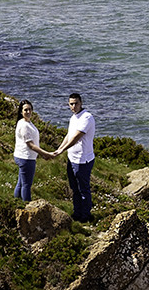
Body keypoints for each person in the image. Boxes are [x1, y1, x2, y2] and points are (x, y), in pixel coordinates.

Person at [53, 92, 96, 222]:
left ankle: (86, 216)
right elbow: (69, 135)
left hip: (83, 160)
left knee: (83, 189)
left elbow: (76, 137)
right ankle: (77, 213)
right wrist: (59, 149)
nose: (73, 106)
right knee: (74, 188)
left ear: (81, 103)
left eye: (76, 103)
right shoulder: (73, 117)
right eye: (71, 104)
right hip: (72, 159)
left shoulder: (86, 118)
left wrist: (61, 151)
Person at [12, 100, 55, 202]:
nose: (28, 112)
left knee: (21, 183)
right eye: (25, 110)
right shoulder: (24, 125)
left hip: (23, 156)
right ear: (21, 112)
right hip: (26, 158)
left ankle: (16, 202)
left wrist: (42, 154)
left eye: (30, 109)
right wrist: (46, 154)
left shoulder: (25, 122)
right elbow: (31, 145)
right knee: (26, 185)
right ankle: (27, 206)